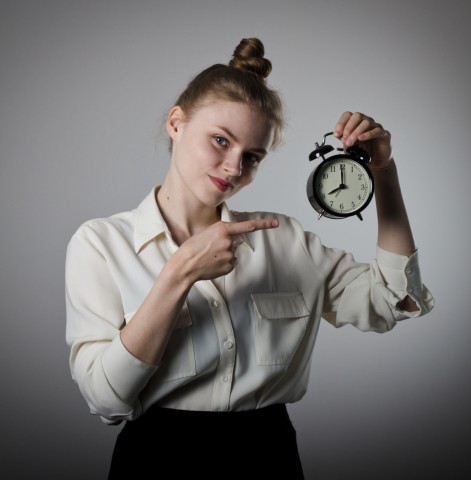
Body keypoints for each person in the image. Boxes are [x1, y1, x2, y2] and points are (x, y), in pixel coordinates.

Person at [65, 37, 434, 479]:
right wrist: (178, 274)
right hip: (155, 458)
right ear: (176, 123)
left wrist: (383, 172)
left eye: (252, 157)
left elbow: (395, 298)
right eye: (220, 140)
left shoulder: (285, 241)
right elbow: (105, 401)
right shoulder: (100, 244)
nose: (234, 168)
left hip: (268, 457)